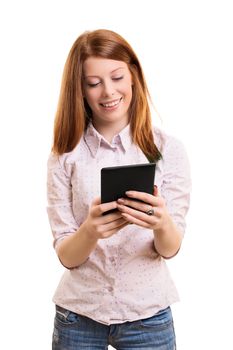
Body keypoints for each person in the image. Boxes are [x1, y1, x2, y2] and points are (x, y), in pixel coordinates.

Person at [47, 29, 191, 350]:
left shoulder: (168, 149)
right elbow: (66, 256)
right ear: (80, 90)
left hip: (148, 315)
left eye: (116, 77)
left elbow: (170, 248)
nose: (108, 91)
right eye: (94, 83)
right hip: (79, 316)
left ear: (133, 77)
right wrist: (90, 231)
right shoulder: (64, 156)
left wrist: (161, 222)